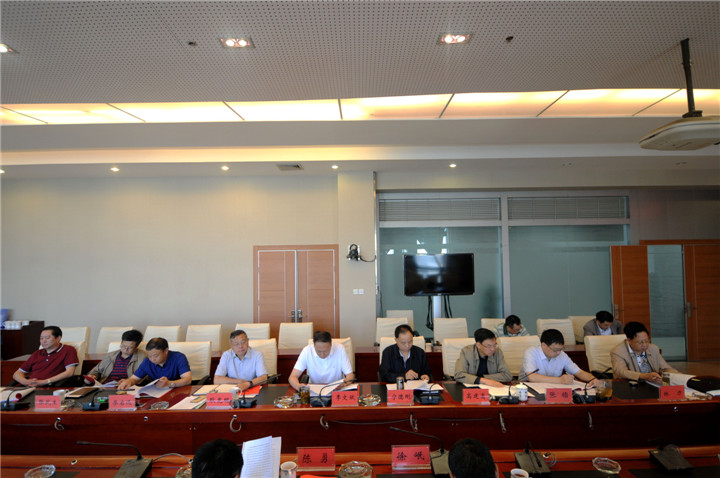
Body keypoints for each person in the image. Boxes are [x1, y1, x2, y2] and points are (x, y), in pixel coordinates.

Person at [521, 329, 602, 387]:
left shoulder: (562, 355)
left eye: (561, 349)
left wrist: (593, 379)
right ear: (543, 345)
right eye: (555, 350)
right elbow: (532, 377)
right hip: (528, 389)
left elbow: (579, 372)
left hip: (553, 390)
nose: (559, 353)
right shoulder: (531, 352)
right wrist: (560, 380)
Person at [610, 321, 678, 383]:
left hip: (653, 384)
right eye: (640, 342)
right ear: (629, 340)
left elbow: (665, 368)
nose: (645, 345)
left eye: (647, 341)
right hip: (631, 385)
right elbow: (621, 372)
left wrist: (678, 375)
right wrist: (644, 376)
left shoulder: (653, 348)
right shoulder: (618, 352)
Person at [12, 325, 79, 387]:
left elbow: (69, 372)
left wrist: (44, 382)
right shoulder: (37, 353)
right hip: (29, 387)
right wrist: (26, 382)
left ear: (58, 338)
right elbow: (17, 373)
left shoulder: (68, 350)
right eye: (41, 338)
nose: (43, 341)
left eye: (47, 338)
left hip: (50, 387)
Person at [117, 337, 192, 390]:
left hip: (178, 390)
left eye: (155, 356)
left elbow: (188, 379)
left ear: (166, 351)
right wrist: (129, 381)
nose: (152, 359)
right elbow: (134, 379)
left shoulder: (179, 357)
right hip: (157, 392)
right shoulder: (147, 362)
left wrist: (169, 383)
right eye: (149, 356)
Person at [289, 331, 353, 390]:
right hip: (314, 390)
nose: (322, 354)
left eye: (325, 351)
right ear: (314, 345)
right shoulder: (307, 351)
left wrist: (345, 384)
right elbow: (292, 377)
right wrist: (298, 386)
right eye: (319, 351)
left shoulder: (339, 349)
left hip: (336, 389)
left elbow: (350, 375)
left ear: (331, 345)